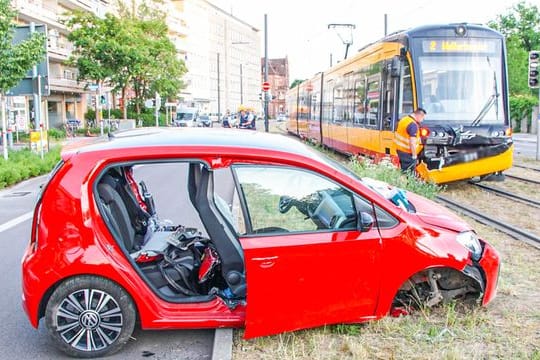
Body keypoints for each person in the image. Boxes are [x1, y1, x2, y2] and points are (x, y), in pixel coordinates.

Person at [394, 108, 427, 173]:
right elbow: (412, 142)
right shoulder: (413, 125)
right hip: (408, 153)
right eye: (423, 118)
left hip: (400, 150)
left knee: (403, 171)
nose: (422, 120)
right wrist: (414, 156)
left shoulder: (404, 120)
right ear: (419, 115)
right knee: (408, 173)